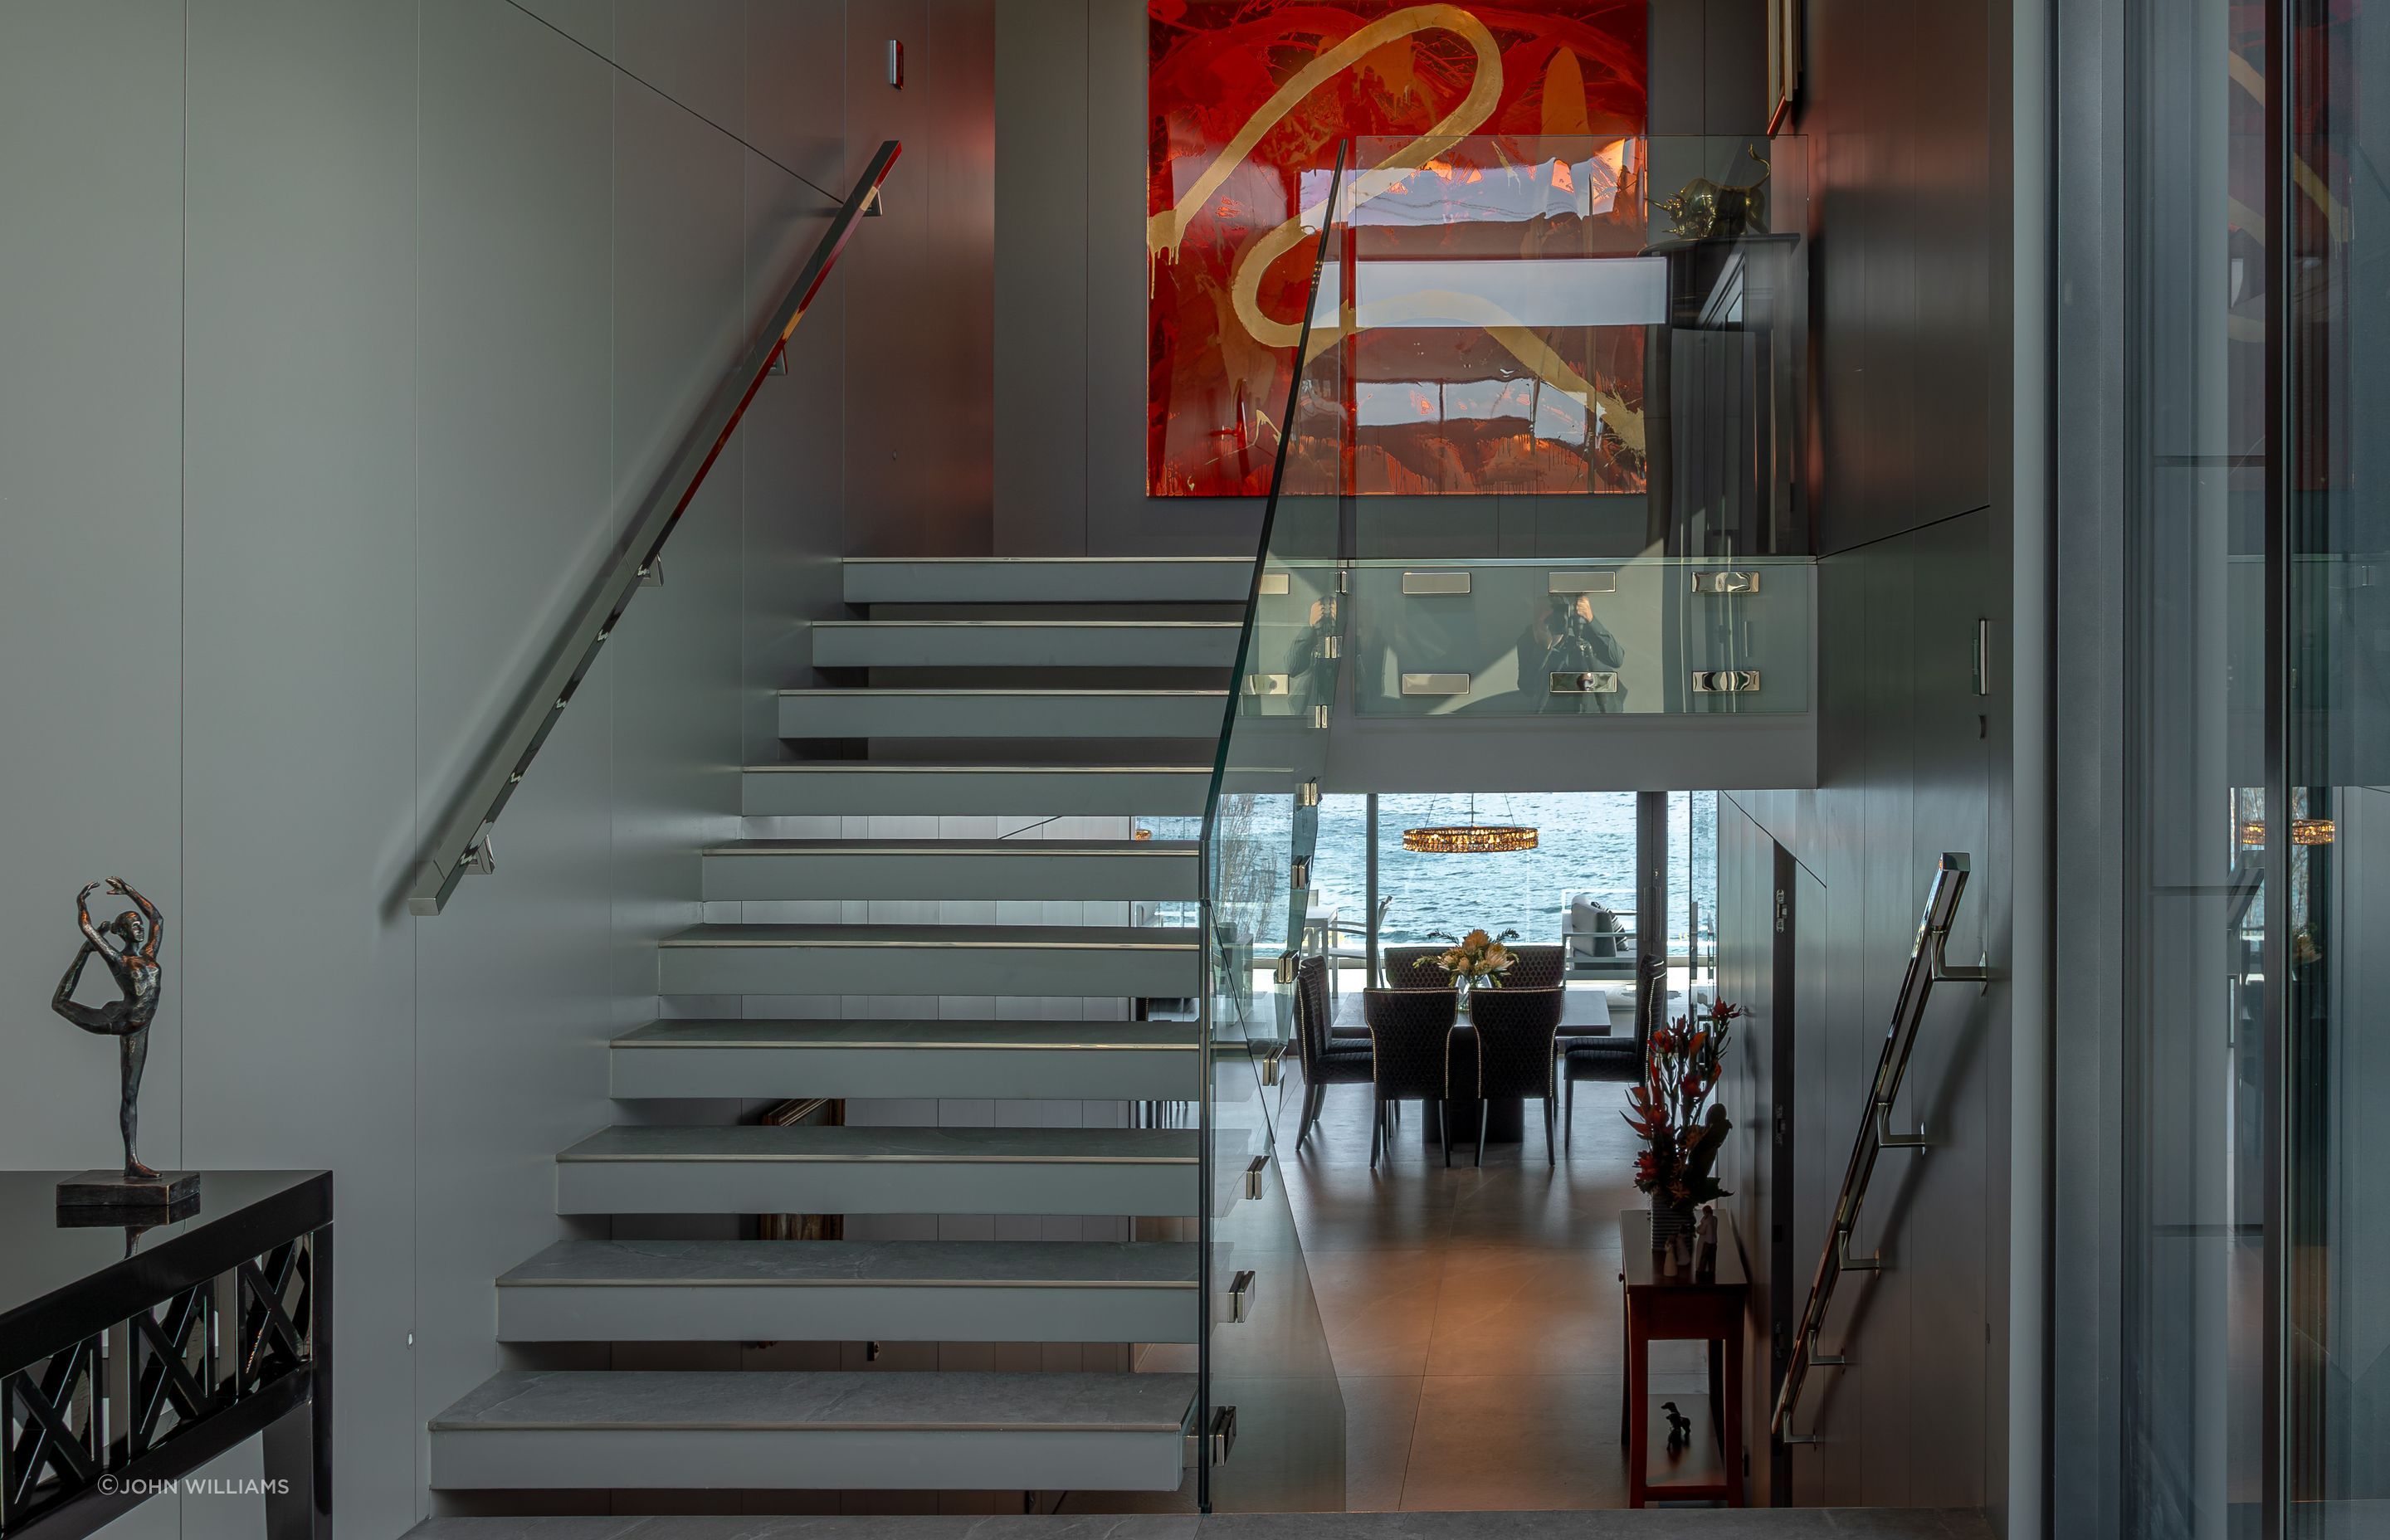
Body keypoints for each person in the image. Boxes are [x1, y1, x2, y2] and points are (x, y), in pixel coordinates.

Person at [51, 877, 166, 1180]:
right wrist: (82, 905)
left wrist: (130, 892)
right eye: (132, 924)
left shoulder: (149, 955)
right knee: (60, 1003)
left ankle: (132, 1161)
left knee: (130, 1095)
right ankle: (82, 955)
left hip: (140, 1029)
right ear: (121, 932)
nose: (140, 927)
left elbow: (157, 917)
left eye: (138, 923)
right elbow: (88, 928)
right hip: (118, 1022)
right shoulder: (119, 959)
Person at [1524, 591, 1627, 714]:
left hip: (1600, 716)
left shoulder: (1585, 631)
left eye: (1557, 616)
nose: (1554, 622)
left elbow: (1616, 659)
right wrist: (1543, 648)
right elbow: (1528, 687)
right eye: (1547, 619)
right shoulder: (1531, 639)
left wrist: (1591, 620)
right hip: (1562, 720)